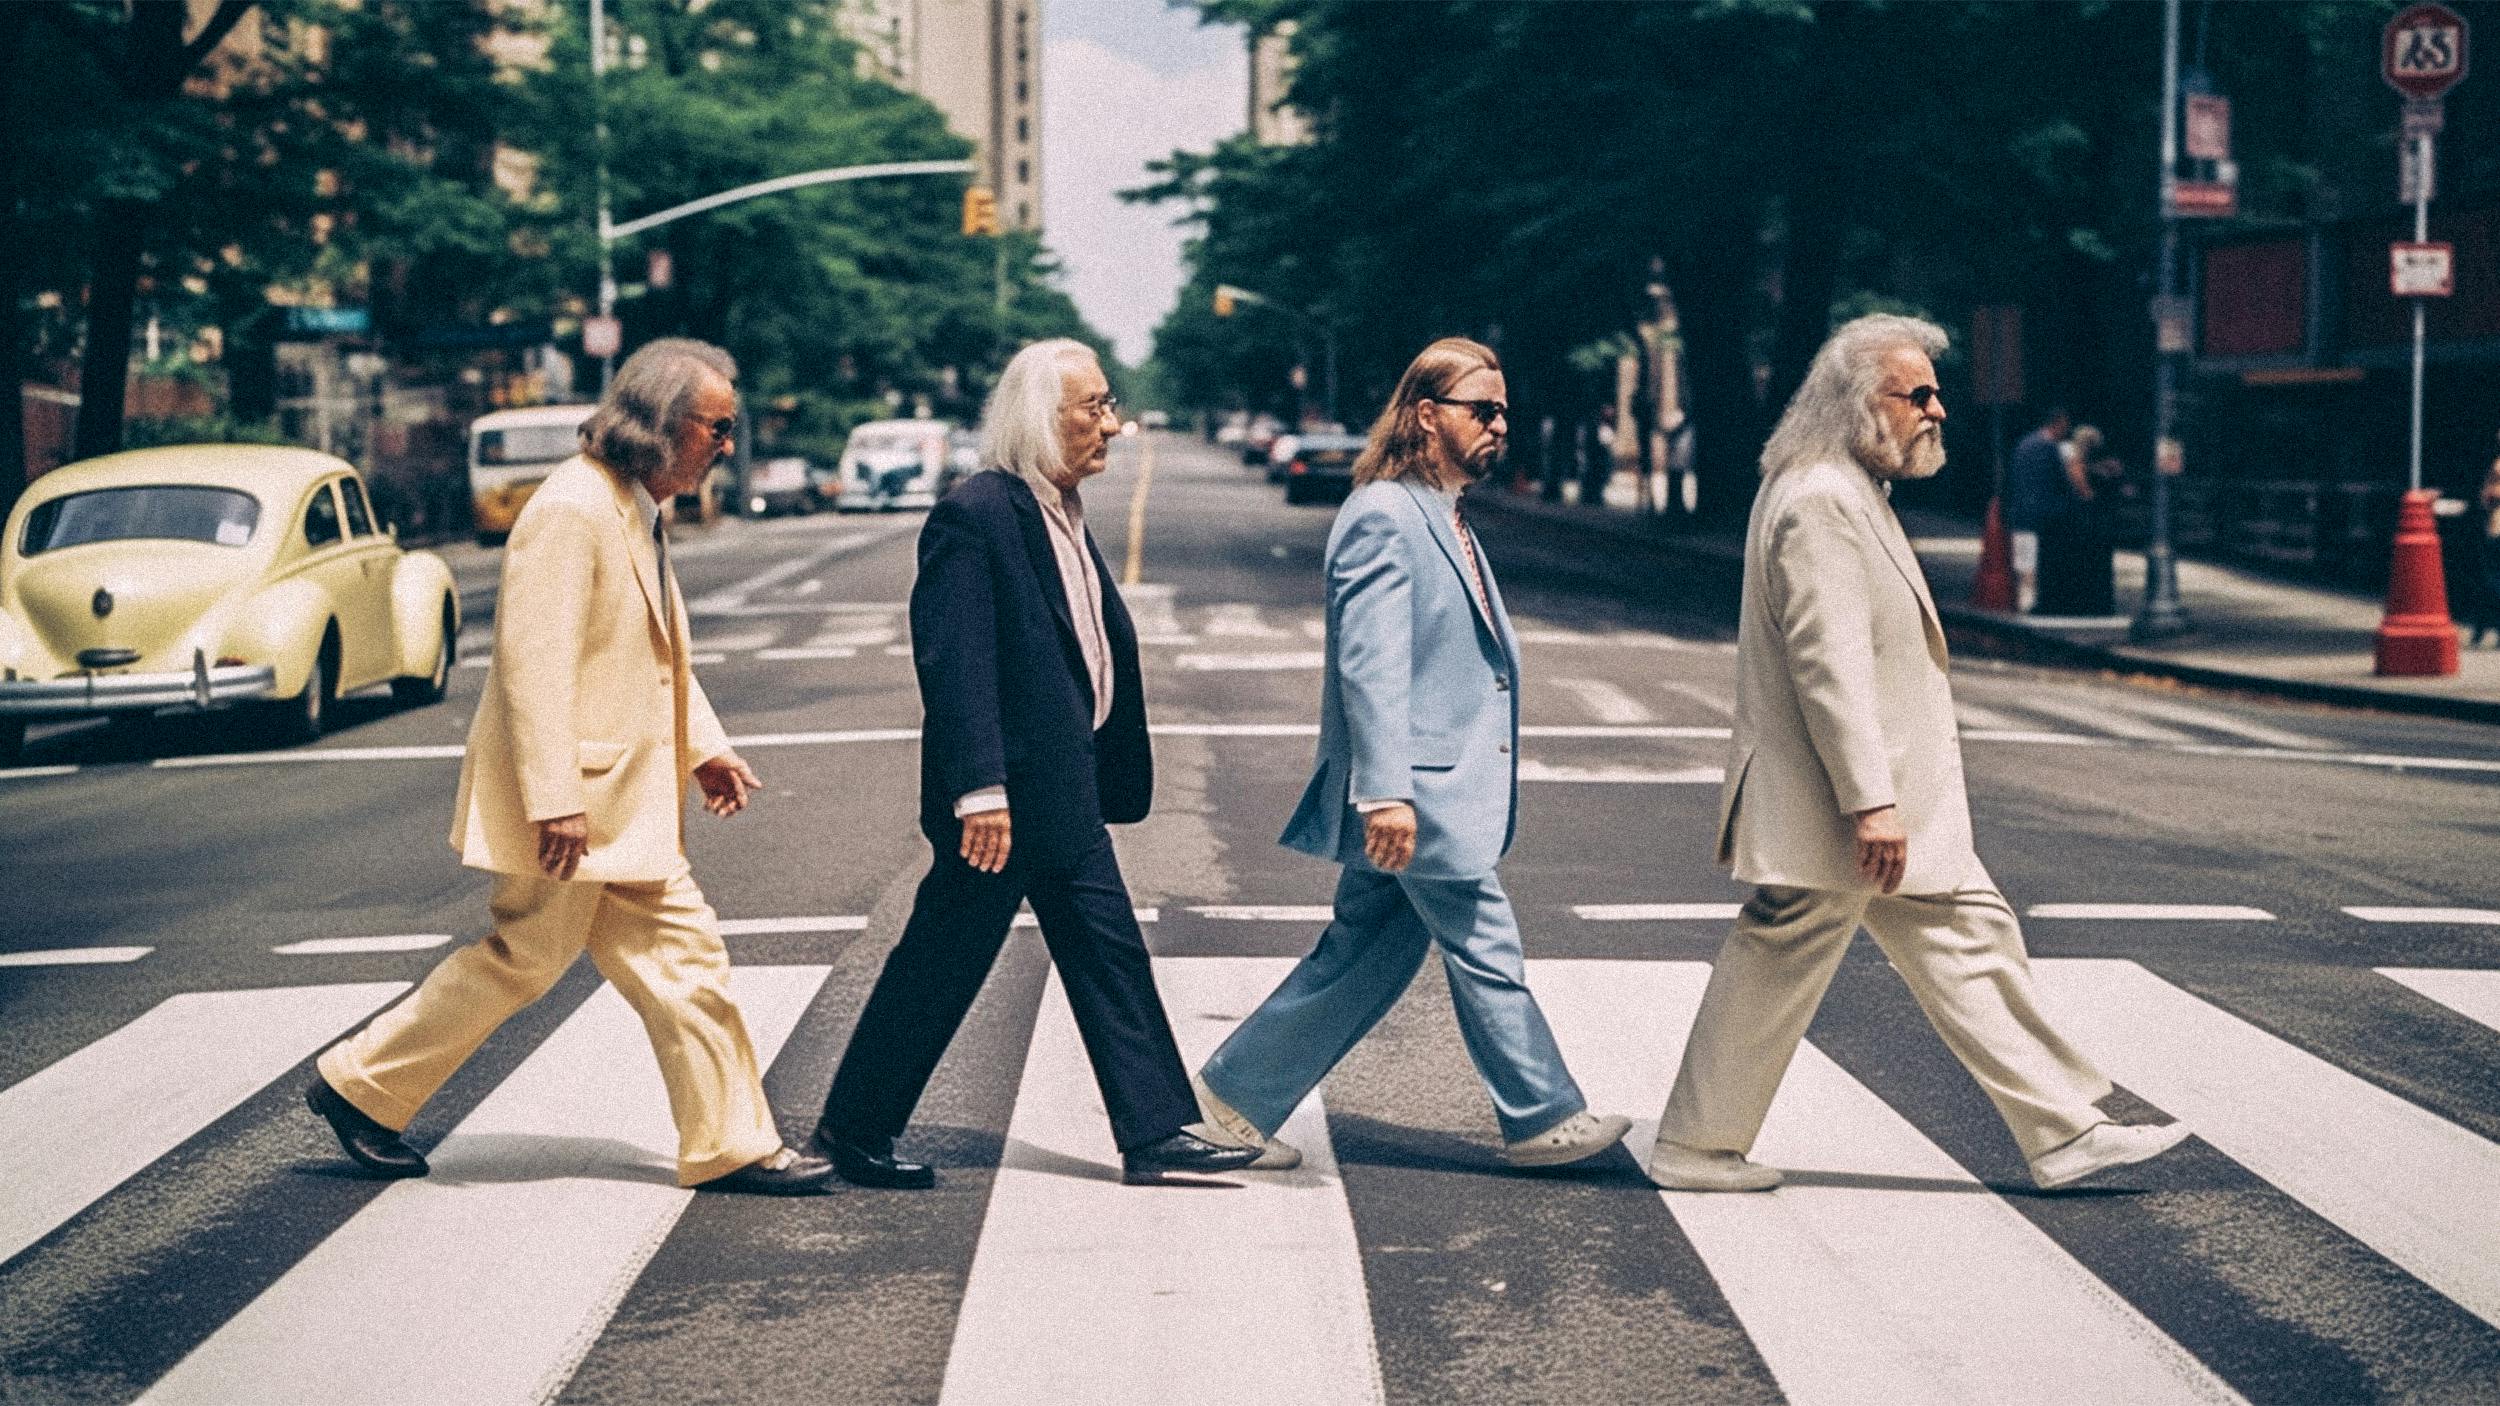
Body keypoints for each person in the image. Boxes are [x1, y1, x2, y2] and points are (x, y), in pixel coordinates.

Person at [1645, 314, 2192, 1194]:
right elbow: (1830, 663)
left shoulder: (1845, 488)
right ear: (1859, 404)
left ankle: (2063, 1132)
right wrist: (1872, 803)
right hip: (1844, 799)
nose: (1938, 409)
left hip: (1876, 798)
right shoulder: (1822, 498)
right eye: (1918, 394)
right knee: (1792, 949)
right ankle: (1695, 1145)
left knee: (1963, 935)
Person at [306, 339, 835, 1195]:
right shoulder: (571, 511)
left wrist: (704, 748)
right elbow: (533, 667)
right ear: (663, 425)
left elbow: (651, 658)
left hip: (615, 805)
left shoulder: (627, 504)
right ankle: (358, 1086)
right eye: (719, 427)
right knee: (535, 960)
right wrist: (554, 800)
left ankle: (732, 1142)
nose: (727, 446)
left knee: (672, 964)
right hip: (581, 810)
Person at [812, 340, 1256, 1189]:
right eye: (1093, 408)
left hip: (1064, 788)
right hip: (1006, 799)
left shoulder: (1062, 513)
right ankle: (855, 1126)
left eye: (1107, 406)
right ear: (1037, 418)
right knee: (943, 958)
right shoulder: (977, 514)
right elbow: (956, 662)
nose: (1113, 426)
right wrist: (979, 791)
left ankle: (1157, 1128)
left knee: (1108, 951)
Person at [1191, 337, 1633, 1172]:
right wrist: (1384, 793)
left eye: (1504, 410)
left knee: (1368, 951)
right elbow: (1372, 662)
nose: (1501, 424)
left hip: (1434, 783)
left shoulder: (1444, 513)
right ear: (1427, 416)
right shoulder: (1385, 514)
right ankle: (1542, 1114)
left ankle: (1233, 1099)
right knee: (1482, 936)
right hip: (1418, 791)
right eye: (1483, 410)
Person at [2035, 423, 2117, 617]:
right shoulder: (2071, 455)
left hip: (2070, 522)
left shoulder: (2071, 455)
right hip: (2076, 522)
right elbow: (2082, 487)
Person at [2003, 406, 2070, 613]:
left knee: (2024, 562)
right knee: (2035, 563)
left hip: (2021, 512)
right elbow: (2060, 481)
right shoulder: (2049, 448)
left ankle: (2023, 602)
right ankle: (2030, 604)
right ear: (2058, 423)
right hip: (2043, 514)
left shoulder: (2025, 444)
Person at [2473, 437, 2500, 649]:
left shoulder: (2497, 465)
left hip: (2496, 527)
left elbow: (2487, 494)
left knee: (2490, 580)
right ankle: (2483, 627)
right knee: (2489, 579)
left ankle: (2483, 627)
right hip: (2494, 526)